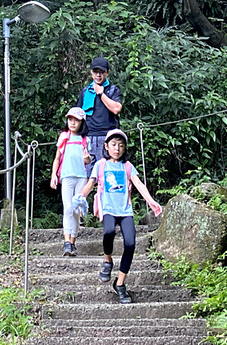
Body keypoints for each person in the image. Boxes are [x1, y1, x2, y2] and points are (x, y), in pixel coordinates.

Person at [74, 128, 162, 304]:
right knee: (108, 233)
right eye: (113, 145)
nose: (117, 148)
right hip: (108, 209)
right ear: (106, 146)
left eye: (121, 145)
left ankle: (120, 284)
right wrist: (80, 197)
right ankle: (108, 261)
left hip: (125, 211)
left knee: (130, 244)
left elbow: (139, 184)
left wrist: (151, 201)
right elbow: (90, 184)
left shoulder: (127, 167)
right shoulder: (100, 165)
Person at [49, 106, 91, 256]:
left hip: (81, 177)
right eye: (70, 119)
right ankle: (67, 242)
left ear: (82, 122)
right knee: (67, 208)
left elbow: (88, 159)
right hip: (66, 176)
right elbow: (57, 158)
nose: (72, 123)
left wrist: (87, 158)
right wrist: (54, 174)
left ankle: (72, 242)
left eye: (76, 120)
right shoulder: (64, 137)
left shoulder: (85, 139)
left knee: (76, 209)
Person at [77, 56, 122, 168]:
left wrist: (101, 94)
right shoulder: (85, 91)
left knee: (107, 174)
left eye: (101, 72)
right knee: (87, 176)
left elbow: (116, 109)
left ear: (107, 73)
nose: (98, 75)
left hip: (107, 137)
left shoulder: (112, 90)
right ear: (91, 73)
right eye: (95, 72)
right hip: (88, 137)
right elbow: (78, 115)